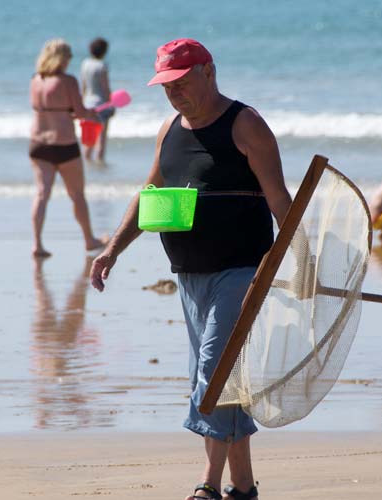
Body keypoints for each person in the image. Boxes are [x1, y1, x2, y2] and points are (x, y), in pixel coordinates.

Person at [89, 38, 290, 500]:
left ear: (208, 71)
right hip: (190, 276)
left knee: (212, 375)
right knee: (226, 379)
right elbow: (149, 195)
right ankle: (244, 488)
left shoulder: (246, 125)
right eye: (166, 84)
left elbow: (281, 201)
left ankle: (209, 485)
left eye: (181, 81)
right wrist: (112, 249)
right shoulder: (170, 130)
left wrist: (302, 260)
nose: (174, 92)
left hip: (244, 272)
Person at [28, 39, 108, 258]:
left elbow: (49, 110)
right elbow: (81, 112)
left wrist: (71, 113)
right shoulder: (68, 81)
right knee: (77, 194)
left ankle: (37, 243)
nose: (70, 60)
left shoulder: (35, 80)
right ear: (61, 57)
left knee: (42, 194)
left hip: (38, 144)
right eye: (68, 56)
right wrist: (92, 115)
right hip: (64, 145)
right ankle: (89, 239)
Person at [80, 37, 113, 162]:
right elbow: (105, 88)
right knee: (101, 139)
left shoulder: (85, 64)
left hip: (88, 104)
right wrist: (111, 103)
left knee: (89, 140)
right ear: (104, 51)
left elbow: (83, 86)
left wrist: (82, 103)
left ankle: (88, 168)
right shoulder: (102, 65)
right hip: (101, 105)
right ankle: (100, 166)